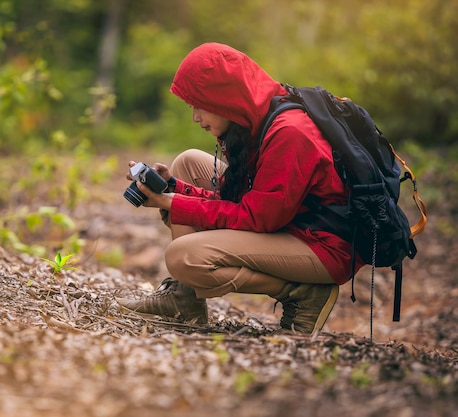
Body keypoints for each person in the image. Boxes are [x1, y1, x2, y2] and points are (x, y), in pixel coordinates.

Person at [116, 42, 363, 334]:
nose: (196, 118)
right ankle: (185, 299)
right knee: (188, 163)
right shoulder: (251, 121)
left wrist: (172, 202)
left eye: (198, 106)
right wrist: (172, 188)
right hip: (289, 223)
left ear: (224, 99)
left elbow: (257, 219)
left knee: (184, 257)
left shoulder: (289, 133)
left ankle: (305, 293)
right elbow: (234, 200)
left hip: (322, 246)